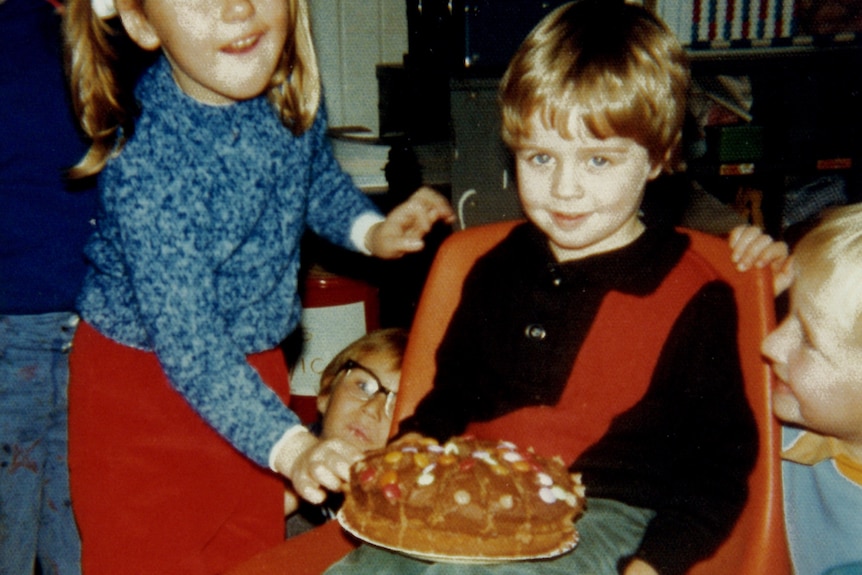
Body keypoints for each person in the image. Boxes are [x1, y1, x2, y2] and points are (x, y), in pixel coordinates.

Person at [325, 2, 757, 575]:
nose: (564, 188)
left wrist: (655, 564)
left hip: (607, 512)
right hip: (477, 484)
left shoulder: (694, 296)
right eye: (540, 157)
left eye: (598, 159)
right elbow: (452, 393)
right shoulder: (493, 268)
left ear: (658, 157)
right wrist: (416, 439)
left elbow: (718, 469)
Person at [61, 0, 454, 572]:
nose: (238, 8)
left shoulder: (286, 99)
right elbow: (192, 347)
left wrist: (372, 231)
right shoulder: (150, 165)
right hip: (140, 391)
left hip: (252, 363)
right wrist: (293, 446)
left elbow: (315, 181)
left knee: (250, 551)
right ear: (143, 23)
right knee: (151, 556)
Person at [0, 0, 98, 573]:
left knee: (80, 526)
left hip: (98, 327)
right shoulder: (17, 37)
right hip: (14, 327)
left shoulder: (120, 37)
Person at [735, 206, 862, 575]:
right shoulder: (799, 422)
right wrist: (750, 301)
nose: (771, 344)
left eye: (807, 338)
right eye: (785, 313)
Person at [285, 327, 407, 537]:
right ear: (325, 393)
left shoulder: (398, 510)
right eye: (363, 386)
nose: (371, 410)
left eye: (395, 407)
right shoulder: (276, 463)